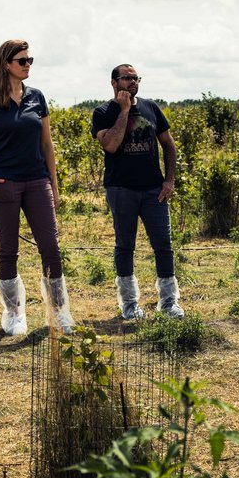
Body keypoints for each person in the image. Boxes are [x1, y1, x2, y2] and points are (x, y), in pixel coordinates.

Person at [0, 39, 74, 336]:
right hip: (3, 183)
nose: (27, 65)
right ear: (6, 64)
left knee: (51, 247)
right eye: (22, 61)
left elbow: (47, 145)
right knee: (8, 249)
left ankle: (58, 312)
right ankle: (14, 312)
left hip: (37, 180)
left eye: (30, 60)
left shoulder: (37, 97)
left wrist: (54, 186)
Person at [91, 64, 184, 320]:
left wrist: (169, 181)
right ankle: (129, 305)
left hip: (154, 190)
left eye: (136, 78)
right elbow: (110, 145)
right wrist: (123, 111)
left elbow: (169, 145)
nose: (133, 82)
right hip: (121, 190)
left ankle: (168, 303)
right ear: (113, 82)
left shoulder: (151, 108)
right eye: (127, 78)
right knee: (125, 246)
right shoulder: (103, 112)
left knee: (163, 245)